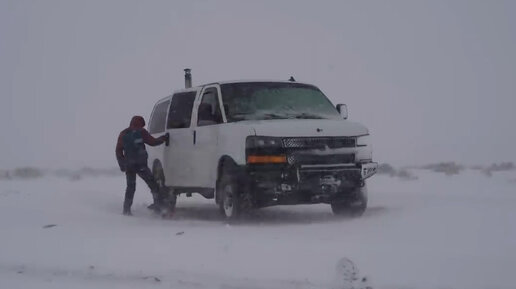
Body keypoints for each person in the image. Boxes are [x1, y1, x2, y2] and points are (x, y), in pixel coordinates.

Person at [115, 116, 169, 216]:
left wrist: (122, 164)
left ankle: (126, 210)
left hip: (129, 165)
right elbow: (153, 142)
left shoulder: (123, 133)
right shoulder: (141, 132)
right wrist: (164, 138)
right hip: (141, 165)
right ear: (140, 123)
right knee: (153, 185)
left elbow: (118, 150)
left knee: (130, 187)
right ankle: (159, 206)